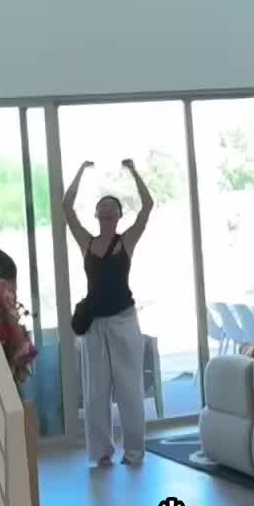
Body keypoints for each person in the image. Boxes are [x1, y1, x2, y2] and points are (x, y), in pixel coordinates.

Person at [62, 159, 154, 468]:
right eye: (101, 207)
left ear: (117, 215)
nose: (106, 210)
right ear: (97, 215)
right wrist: (81, 171)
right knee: (95, 392)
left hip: (123, 320)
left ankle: (134, 452)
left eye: (111, 208)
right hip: (95, 324)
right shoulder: (87, 243)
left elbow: (147, 206)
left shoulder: (125, 241)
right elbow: (66, 207)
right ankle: (101, 452)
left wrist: (132, 172)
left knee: (129, 388)